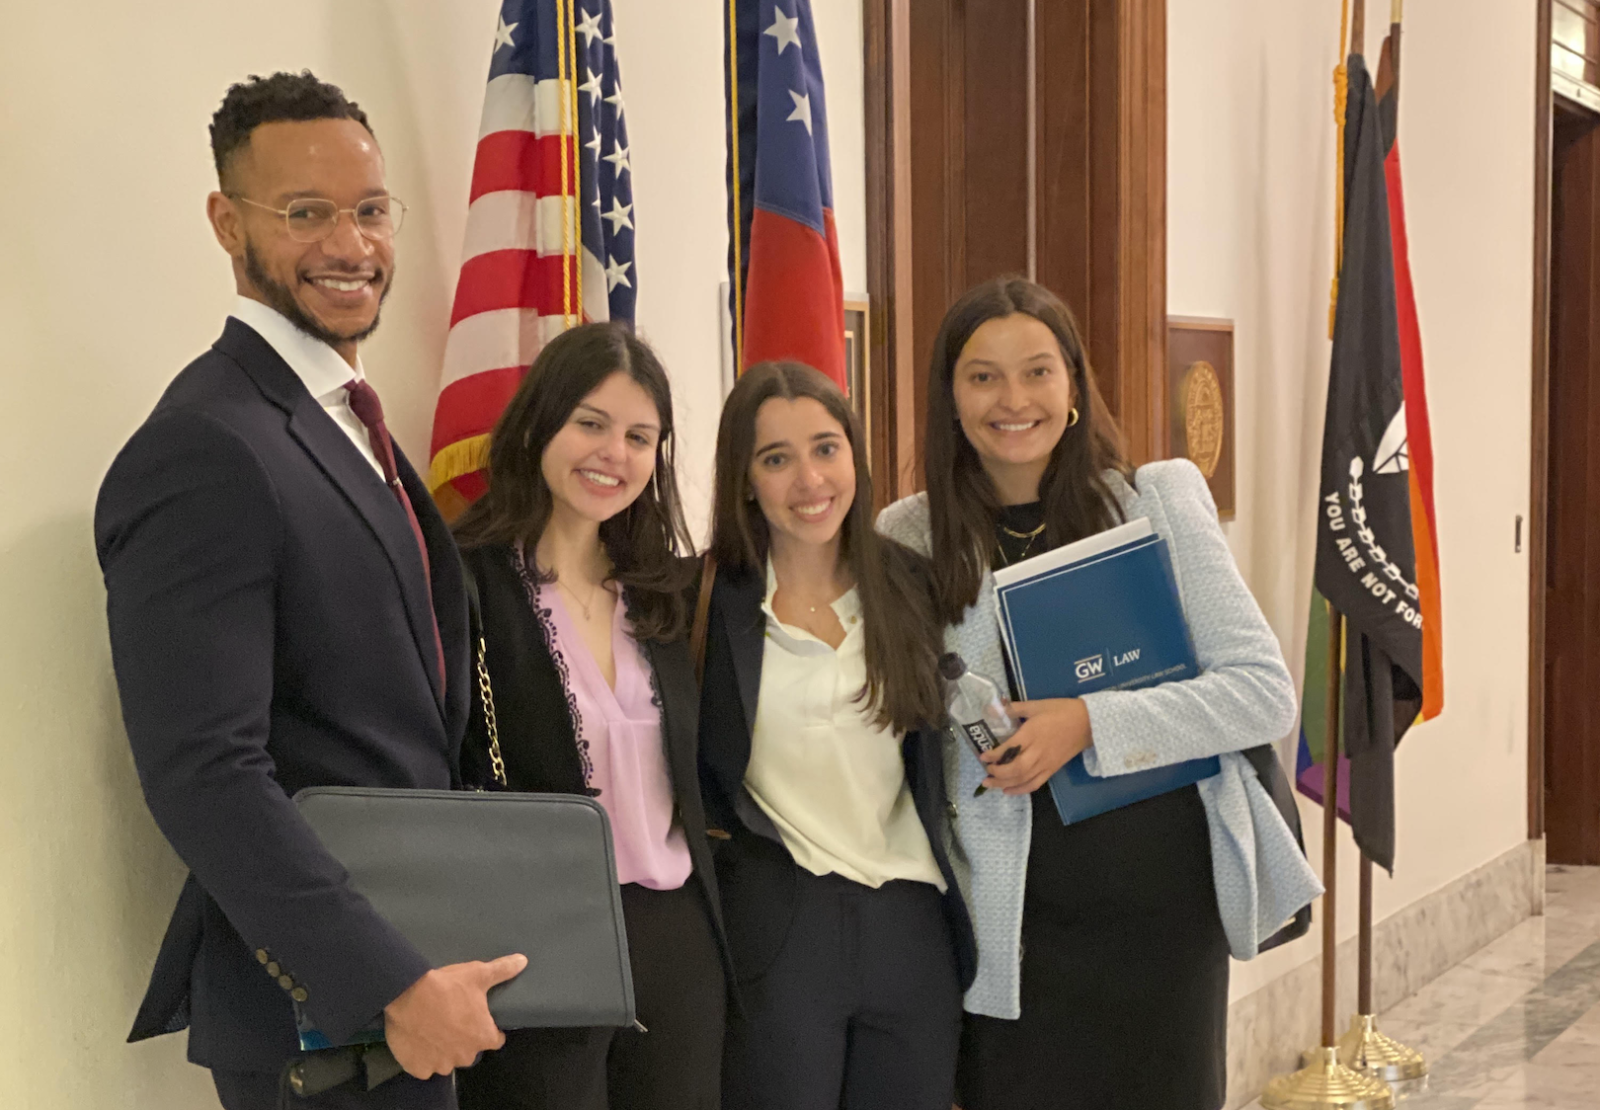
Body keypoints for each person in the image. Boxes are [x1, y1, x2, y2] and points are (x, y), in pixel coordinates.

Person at [94, 72, 524, 1110]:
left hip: (411, 995)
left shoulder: (342, 418)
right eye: (305, 213)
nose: (350, 245)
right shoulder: (206, 446)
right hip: (325, 1026)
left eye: (370, 211)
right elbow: (205, 772)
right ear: (224, 221)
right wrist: (384, 981)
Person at [877, 277, 1322, 1110]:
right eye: (982, 377)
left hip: (1162, 911)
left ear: (1074, 385)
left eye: (1038, 371)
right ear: (950, 396)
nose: (1013, 399)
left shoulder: (1154, 501)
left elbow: (1263, 694)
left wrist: (1089, 722)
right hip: (1012, 922)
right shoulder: (907, 536)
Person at [450, 322, 730, 1110]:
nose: (616, 454)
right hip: (537, 936)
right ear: (540, 421)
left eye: (641, 437)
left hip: (674, 937)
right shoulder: (465, 579)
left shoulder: (665, 590)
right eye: (592, 424)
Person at [697, 361, 977, 1110]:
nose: (809, 479)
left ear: (855, 454)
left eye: (826, 448)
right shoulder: (702, 600)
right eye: (776, 458)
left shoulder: (913, 587)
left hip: (910, 927)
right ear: (744, 478)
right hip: (778, 926)